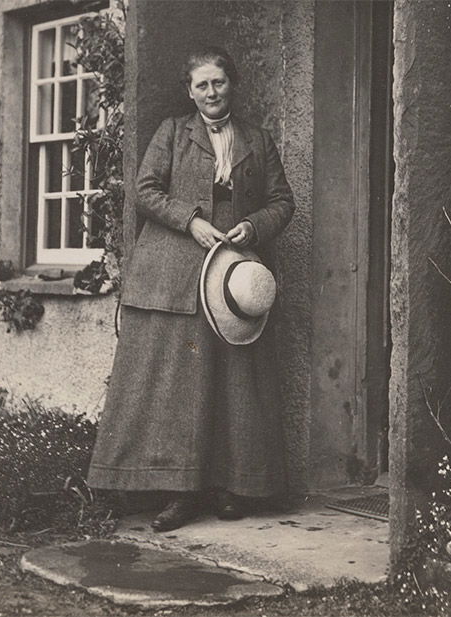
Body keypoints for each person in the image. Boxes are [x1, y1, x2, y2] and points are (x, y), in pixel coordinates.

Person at [87, 47, 295, 532]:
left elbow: (282, 201)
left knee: (234, 383)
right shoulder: (171, 133)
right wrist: (190, 220)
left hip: (233, 273)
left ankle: (228, 487)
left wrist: (253, 226)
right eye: (201, 84)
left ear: (232, 84)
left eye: (218, 82)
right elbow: (145, 190)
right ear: (189, 90)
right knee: (184, 383)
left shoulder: (258, 140)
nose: (211, 92)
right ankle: (181, 493)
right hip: (177, 267)